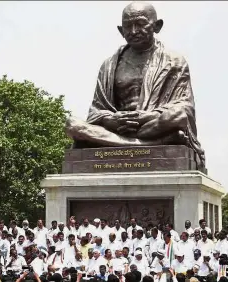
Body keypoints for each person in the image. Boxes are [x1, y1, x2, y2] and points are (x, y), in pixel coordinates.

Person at [64, 1, 205, 168]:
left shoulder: (174, 61)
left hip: (151, 125)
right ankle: (145, 145)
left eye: (140, 24)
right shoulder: (109, 65)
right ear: (120, 30)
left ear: (157, 26)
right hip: (118, 128)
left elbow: (185, 107)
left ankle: (121, 145)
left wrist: (145, 117)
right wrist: (112, 120)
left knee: (177, 115)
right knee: (72, 124)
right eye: (127, 26)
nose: (133, 31)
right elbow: (96, 111)